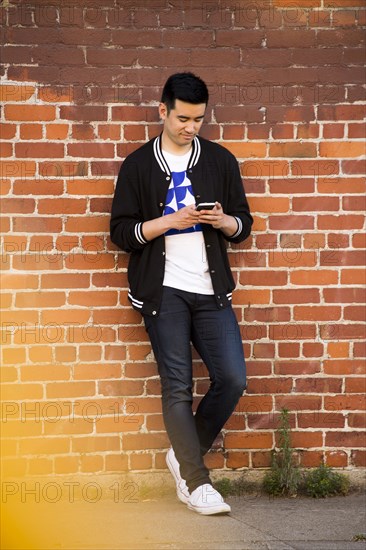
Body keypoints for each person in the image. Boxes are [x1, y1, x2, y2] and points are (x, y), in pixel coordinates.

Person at [110, 72, 253, 515]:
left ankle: (182, 455)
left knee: (232, 379)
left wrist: (223, 221)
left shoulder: (219, 160)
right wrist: (170, 222)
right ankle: (196, 482)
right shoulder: (138, 165)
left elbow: (243, 226)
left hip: (211, 290)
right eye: (183, 118)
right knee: (178, 386)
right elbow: (121, 232)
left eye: (199, 119)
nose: (191, 127)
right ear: (163, 111)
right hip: (163, 291)